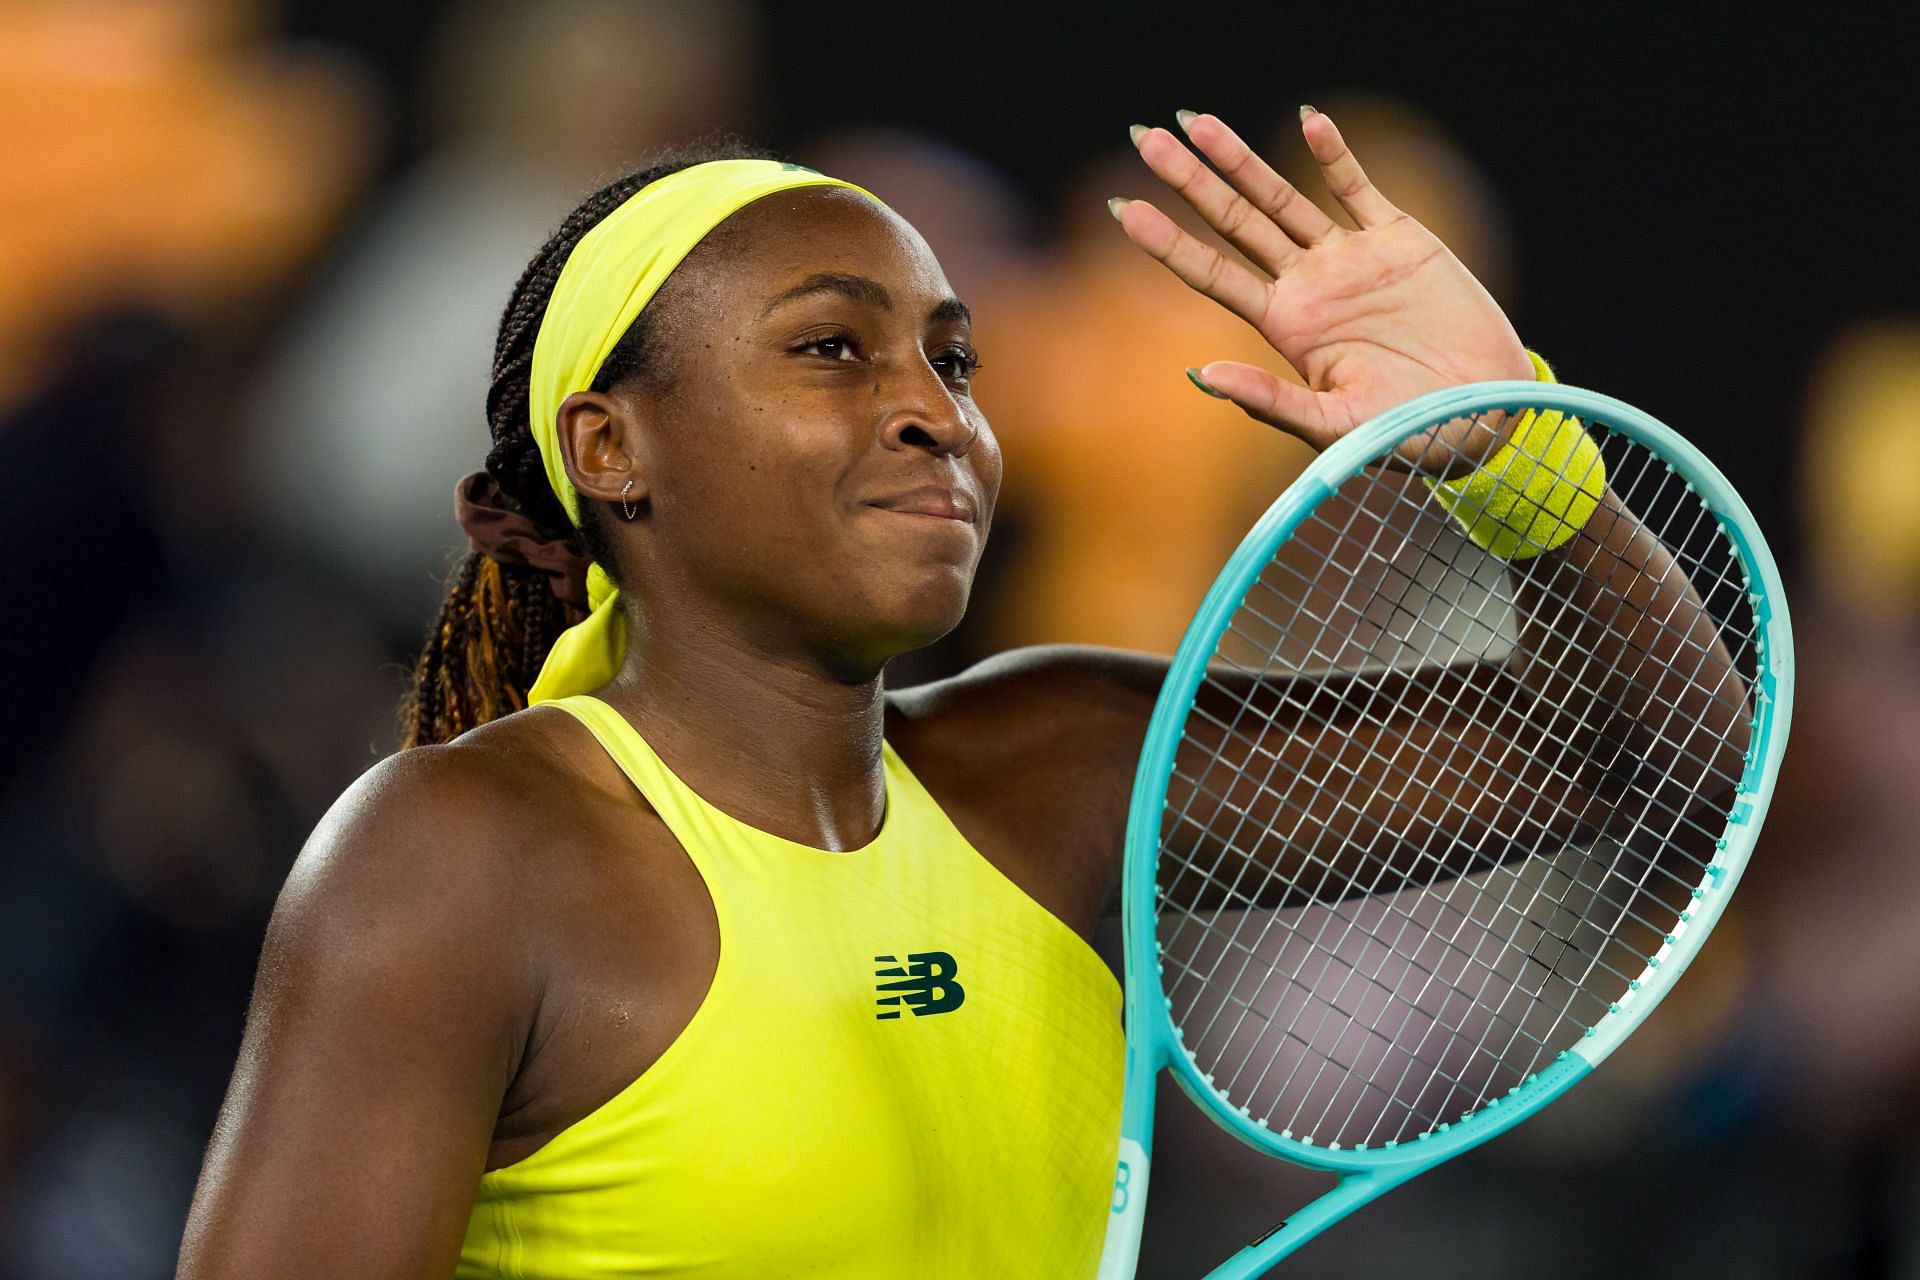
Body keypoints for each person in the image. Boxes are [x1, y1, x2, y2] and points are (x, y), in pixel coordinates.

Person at [178, 108, 1742, 1277]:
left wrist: (1518, 451)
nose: (932, 414)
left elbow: (1660, 761)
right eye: (832, 352)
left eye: (954, 360)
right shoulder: (453, 859)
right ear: (612, 450)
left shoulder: (1056, 772)